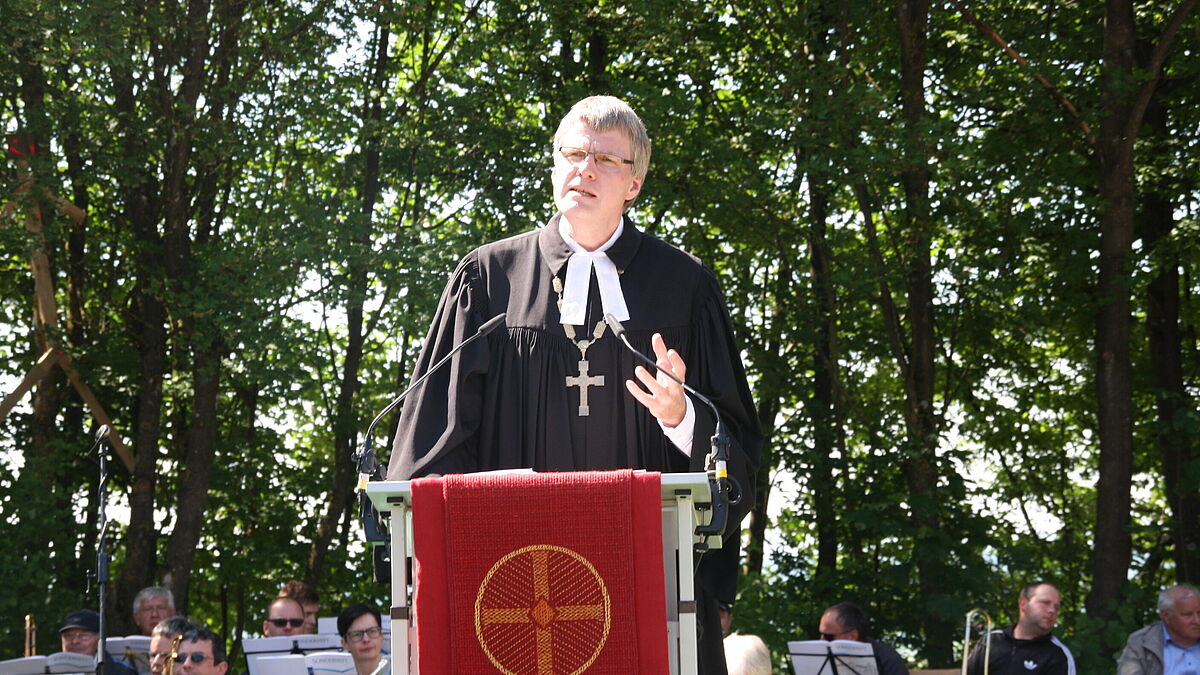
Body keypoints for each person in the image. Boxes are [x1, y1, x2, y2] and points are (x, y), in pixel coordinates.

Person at [385, 95, 762, 675]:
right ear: (555, 165)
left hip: (649, 585)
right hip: (507, 590)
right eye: (573, 153)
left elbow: (736, 461)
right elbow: (434, 439)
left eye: (605, 160)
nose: (584, 169)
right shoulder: (488, 280)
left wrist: (681, 416)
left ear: (633, 184)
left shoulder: (683, 289)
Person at [966, 582, 1075, 675]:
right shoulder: (992, 640)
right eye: (1045, 603)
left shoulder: (1058, 655)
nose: (1052, 610)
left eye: (1056, 607)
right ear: (1023, 604)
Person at [1117, 584, 1200, 675]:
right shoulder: (1141, 643)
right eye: (1187, 615)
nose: (1197, 621)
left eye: (1199, 613)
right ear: (1165, 616)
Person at [818, 602, 908, 675]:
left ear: (852, 636)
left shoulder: (887, 659)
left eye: (828, 636)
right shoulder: (820, 658)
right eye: (821, 634)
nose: (821, 641)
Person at [338, 604, 387, 675]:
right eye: (357, 634)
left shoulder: (402, 670)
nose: (366, 639)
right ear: (345, 643)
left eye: (372, 631)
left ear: (381, 636)